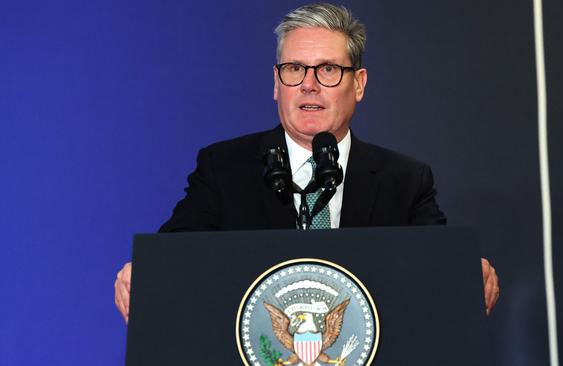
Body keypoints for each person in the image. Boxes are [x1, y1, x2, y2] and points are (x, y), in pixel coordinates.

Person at [114, 3, 499, 324]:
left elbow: (439, 267)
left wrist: (465, 273)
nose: (309, 84)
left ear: (359, 84)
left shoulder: (405, 180)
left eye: (328, 69)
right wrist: (148, 274)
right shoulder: (224, 169)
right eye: (295, 69)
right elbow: (175, 256)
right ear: (277, 83)